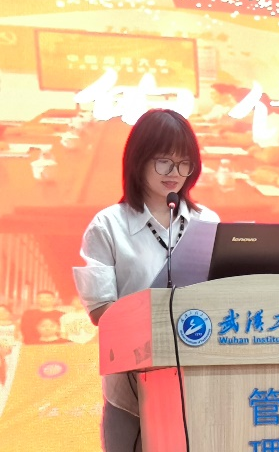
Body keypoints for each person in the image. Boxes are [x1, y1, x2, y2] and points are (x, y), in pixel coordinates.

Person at [73, 109, 220, 452]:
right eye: (164, 162)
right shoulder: (108, 226)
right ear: (138, 160)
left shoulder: (207, 221)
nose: (175, 173)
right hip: (131, 390)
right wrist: (155, 321)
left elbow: (222, 296)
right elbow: (100, 311)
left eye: (184, 163)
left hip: (197, 384)